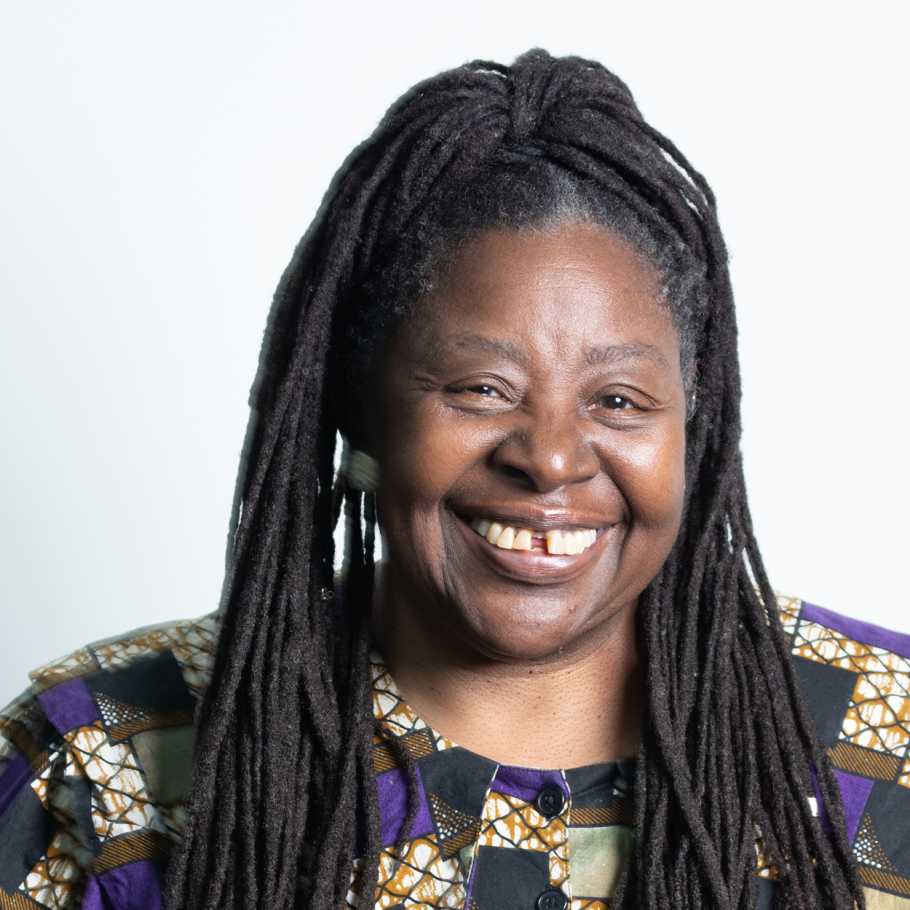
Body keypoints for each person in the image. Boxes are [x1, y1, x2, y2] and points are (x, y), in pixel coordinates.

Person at [0, 49, 906, 910]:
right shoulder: (101, 753)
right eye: (481, 389)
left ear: (694, 429)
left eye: (621, 399)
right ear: (363, 409)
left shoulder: (887, 737)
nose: (551, 457)